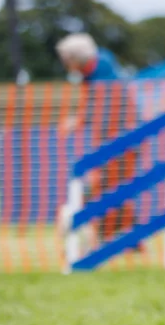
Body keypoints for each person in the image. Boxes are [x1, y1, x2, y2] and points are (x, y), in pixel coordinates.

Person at [55, 33, 138, 248]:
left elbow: (101, 108)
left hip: (122, 139)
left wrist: (78, 120)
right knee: (115, 189)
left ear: (75, 60)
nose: (65, 65)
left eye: (66, 61)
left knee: (104, 188)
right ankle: (130, 241)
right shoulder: (95, 69)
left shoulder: (102, 75)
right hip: (113, 138)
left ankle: (99, 237)